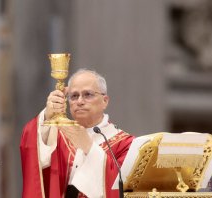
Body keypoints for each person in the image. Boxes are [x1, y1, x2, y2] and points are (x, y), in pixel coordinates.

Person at [20, 69, 135, 198]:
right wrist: (47, 115)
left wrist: (88, 147)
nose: (80, 101)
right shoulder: (59, 135)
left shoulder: (127, 144)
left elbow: (123, 188)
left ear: (105, 101)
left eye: (88, 94)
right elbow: (30, 145)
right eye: (74, 96)